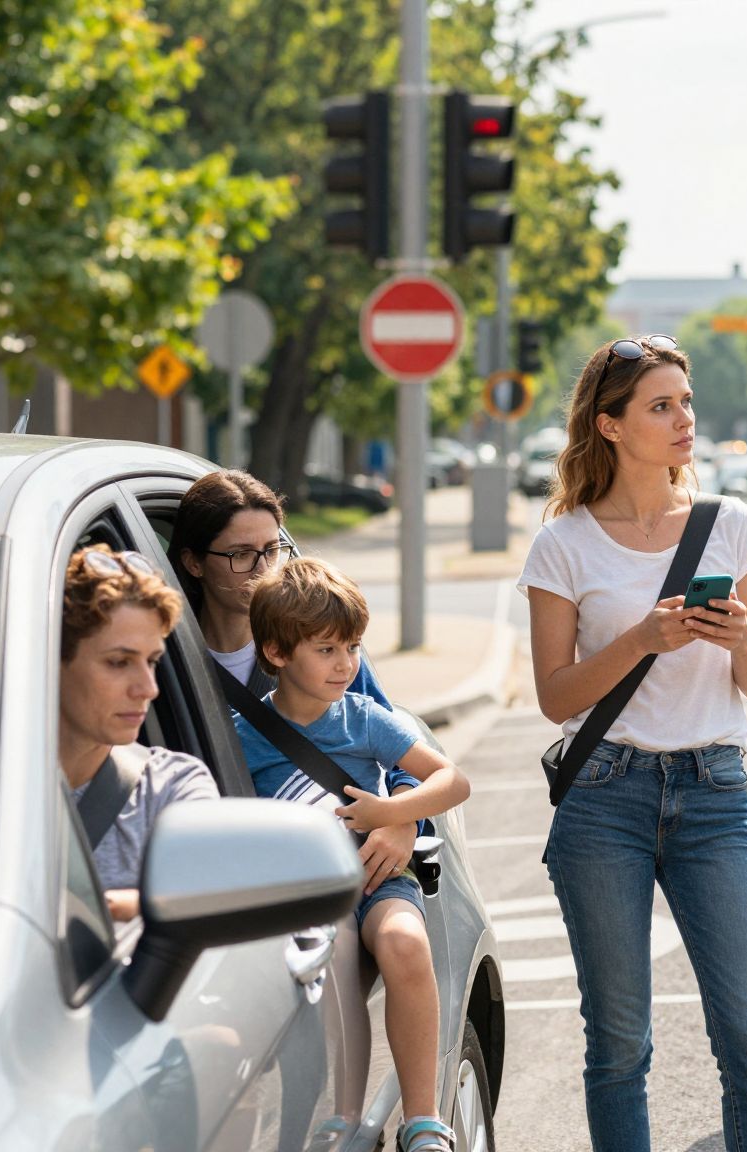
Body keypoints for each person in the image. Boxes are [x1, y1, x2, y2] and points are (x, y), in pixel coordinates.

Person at [518, 334, 747, 1151]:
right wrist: (642, 639)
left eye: (686, 403)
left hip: (714, 792)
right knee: (619, 1046)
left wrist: (738, 640)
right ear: (609, 425)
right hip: (606, 797)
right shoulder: (563, 543)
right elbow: (553, 696)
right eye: (661, 406)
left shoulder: (729, 525)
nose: (684, 421)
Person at [235, 556, 470, 1152]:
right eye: (326, 650)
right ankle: (344, 1117)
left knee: (404, 944)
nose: (346, 665)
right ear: (278, 653)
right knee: (334, 955)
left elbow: (451, 781)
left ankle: (423, 1120)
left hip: (378, 877)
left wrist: (391, 814)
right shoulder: (242, 733)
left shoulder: (365, 719)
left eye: (353, 647)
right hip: (309, 891)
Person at [56, 546, 219, 920]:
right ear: (50, 658)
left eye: (152, 662)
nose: (149, 688)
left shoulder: (173, 789)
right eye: (119, 662)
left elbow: (207, 903)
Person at [168, 469, 389, 704]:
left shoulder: (324, 641)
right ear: (193, 563)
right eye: (242, 554)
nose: (263, 570)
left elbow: (381, 733)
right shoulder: (159, 654)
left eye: (272, 550)